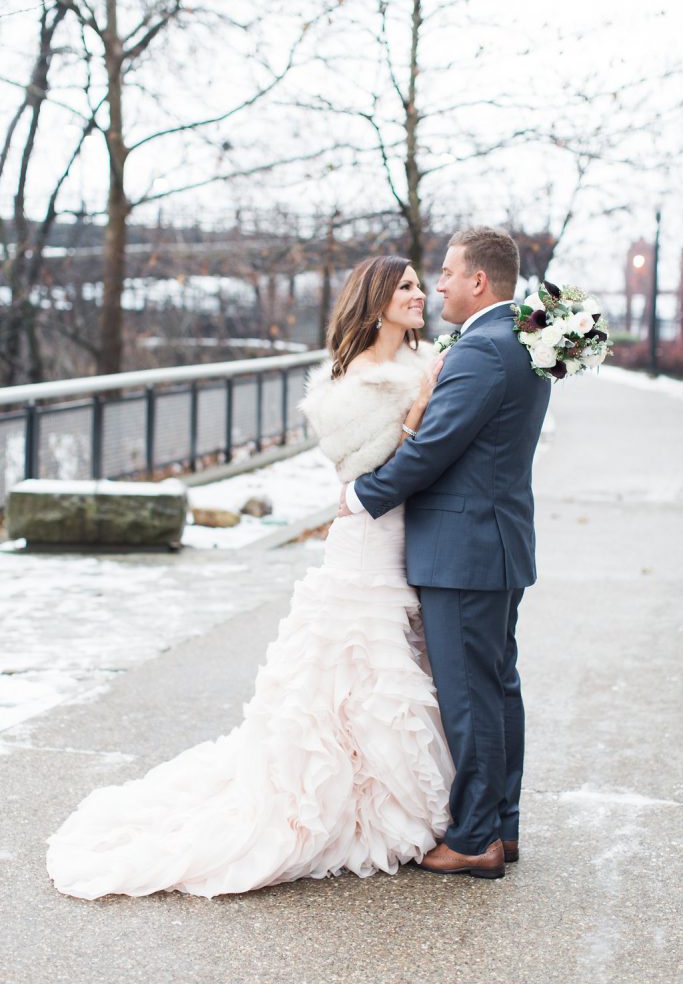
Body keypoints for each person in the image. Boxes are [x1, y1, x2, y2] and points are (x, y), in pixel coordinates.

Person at [46, 255, 457, 900]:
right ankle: (348, 806)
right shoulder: (349, 384)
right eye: (403, 287)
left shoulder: (423, 360)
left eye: (416, 285)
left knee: (398, 671)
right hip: (367, 544)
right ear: (374, 300)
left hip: (412, 538)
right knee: (356, 676)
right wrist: (419, 410)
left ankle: (392, 795)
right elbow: (369, 472)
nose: (417, 294)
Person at [339, 227, 551, 878]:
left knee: (469, 696)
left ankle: (473, 838)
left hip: (463, 549)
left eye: (448, 274)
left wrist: (360, 497)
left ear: (478, 282)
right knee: (496, 687)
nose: (438, 286)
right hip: (497, 540)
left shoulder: (481, 351)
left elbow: (432, 451)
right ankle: (502, 827)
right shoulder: (524, 340)